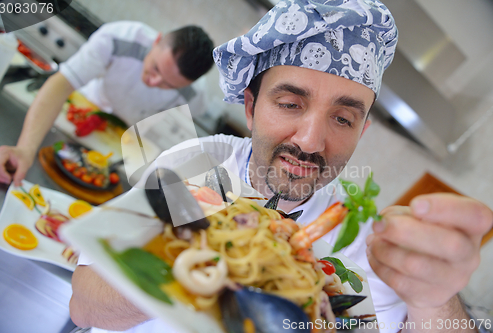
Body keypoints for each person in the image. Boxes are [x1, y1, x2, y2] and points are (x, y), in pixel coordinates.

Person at [69, 1, 493, 333]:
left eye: (343, 118)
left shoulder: (364, 239)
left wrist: (435, 298)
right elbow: (83, 304)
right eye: (290, 104)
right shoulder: (197, 164)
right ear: (251, 108)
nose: (310, 141)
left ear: (362, 131)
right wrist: (199, 263)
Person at [0, 21, 214, 186]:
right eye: (156, 68)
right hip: (78, 115)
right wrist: (24, 149)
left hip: (120, 142)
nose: (153, 82)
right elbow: (61, 84)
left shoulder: (196, 95)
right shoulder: (119, 37)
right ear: (157, 41)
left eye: (168, 84)